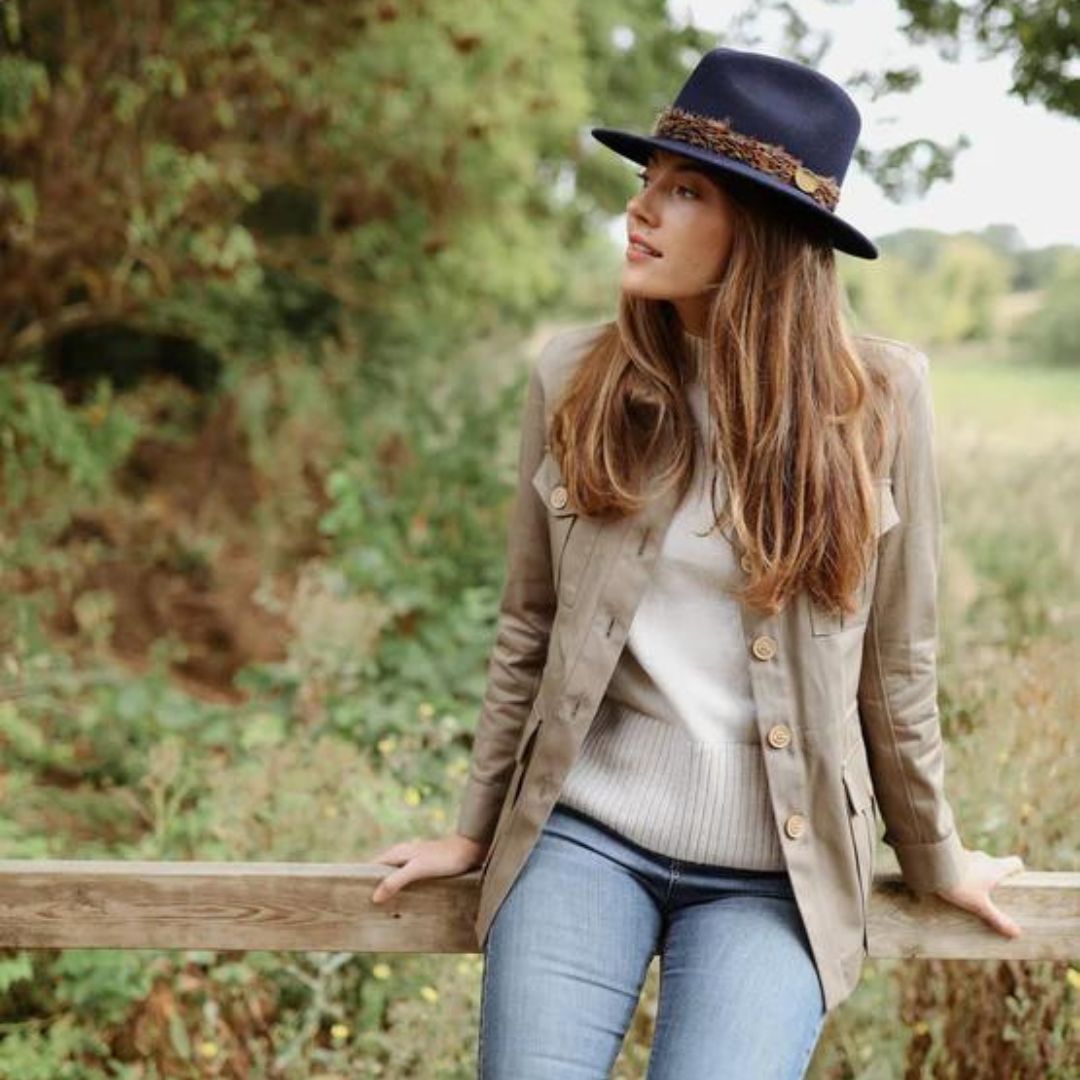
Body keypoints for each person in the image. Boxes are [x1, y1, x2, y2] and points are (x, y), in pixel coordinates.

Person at [367, 46, 1025, 1078]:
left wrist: (936, 855)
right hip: (586, 833)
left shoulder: (882, 401)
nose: (641, 214)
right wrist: (472, 826)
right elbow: (528, 623)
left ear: (761, 232)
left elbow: (900, 658)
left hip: (778, 870)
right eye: (646, 187)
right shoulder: (577, 378)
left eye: (684, 193)